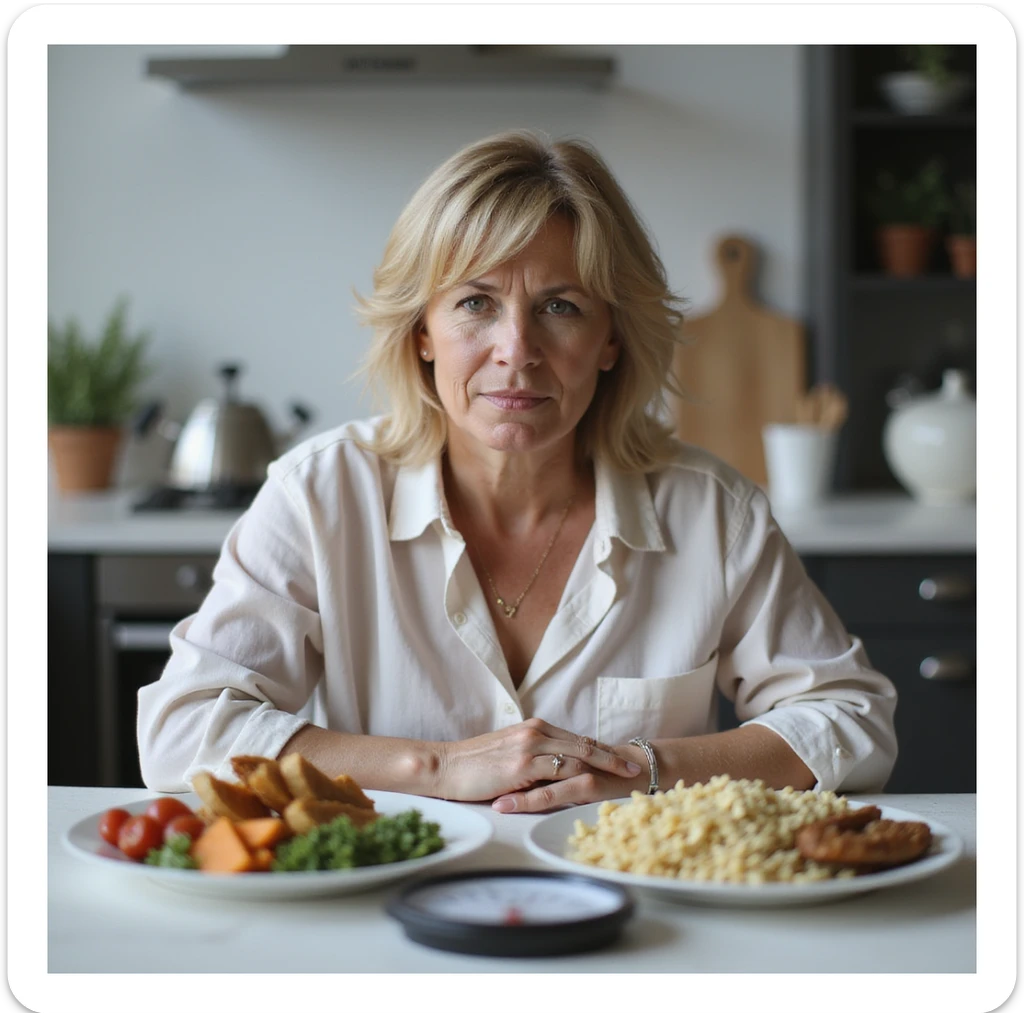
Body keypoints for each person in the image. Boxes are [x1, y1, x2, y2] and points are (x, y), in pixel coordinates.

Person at [138, 130, 897, 811]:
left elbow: (850, 718)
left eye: (560, 306)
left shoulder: (711, 509)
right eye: (476, 303)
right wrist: (434, 767)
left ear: (611, 339)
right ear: (423, 332)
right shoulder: (319, 494)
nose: (516, 350)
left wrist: (643, 767)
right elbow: (183, 729)